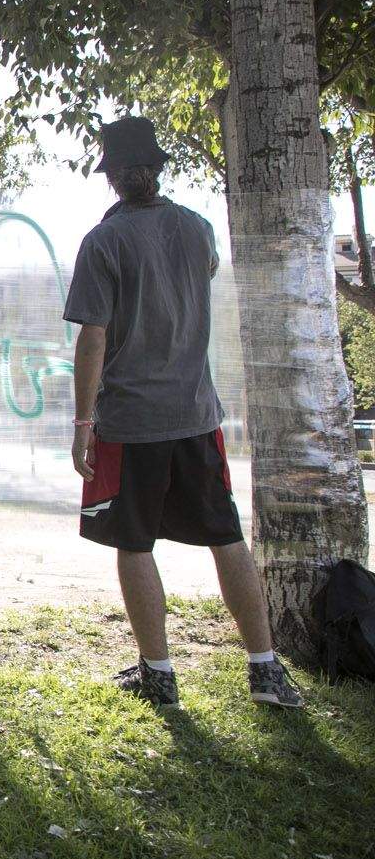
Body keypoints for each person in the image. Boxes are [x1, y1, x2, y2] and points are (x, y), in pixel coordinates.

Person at [64, 115, 302, 708]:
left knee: (135, 542)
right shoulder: (198, 230)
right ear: (158, 172)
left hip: (132, 423)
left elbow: (92, 339)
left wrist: (82, 425)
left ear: (114, 178)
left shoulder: (104, 242)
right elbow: (207, 274)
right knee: (226, 536)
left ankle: (160, 674)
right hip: (197, 416)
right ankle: (266, 671)